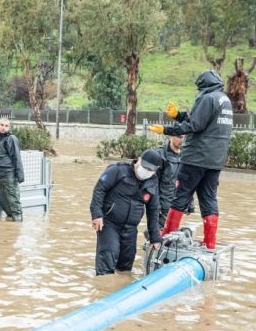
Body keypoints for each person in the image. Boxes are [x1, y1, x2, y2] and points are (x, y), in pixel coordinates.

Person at [148, 69, 233, 249]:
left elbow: (194, 125)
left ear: (203, 86)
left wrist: (167, 130)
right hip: (215, 160)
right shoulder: (224, 100)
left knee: (181, 196)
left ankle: (167, 238)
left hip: (196, 157)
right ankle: (210, 243)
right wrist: (178, 115)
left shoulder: (207, 98)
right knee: (209, 199)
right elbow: (202, 122)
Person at [90, 149, 163, 276]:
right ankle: (103, 288)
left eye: (150, 170)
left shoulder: (152, 181)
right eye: (145, 167)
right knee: (108, 255)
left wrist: (155, 238)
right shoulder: (118, 170)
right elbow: (99, 190)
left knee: (126, 266)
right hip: (109, 223)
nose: (146, 171)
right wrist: (97, 214)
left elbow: (153, 210)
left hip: (130, 228)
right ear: (139, 160)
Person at [152, 135, 194, 231]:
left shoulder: (187, 156)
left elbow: (189, 183)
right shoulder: (160, 155)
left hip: (178, 208)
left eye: (184, 137)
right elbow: (152, 184)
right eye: (179, 137)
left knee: (173, 238)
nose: (182, 140)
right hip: (162, 209)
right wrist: (155, 206)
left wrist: (190, 204)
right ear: (171, 136)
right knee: (158, 239)